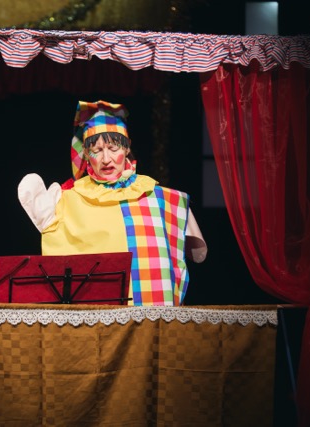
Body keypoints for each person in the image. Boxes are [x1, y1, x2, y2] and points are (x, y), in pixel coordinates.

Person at [18, 100, 207, 306]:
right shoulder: (66, 200)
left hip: (154, 318)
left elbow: (199, 254)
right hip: (98, 319)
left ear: (127, 148)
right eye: (97, 150)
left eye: (113, 147)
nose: (106, 158)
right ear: (86, 154)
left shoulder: (165, 200)